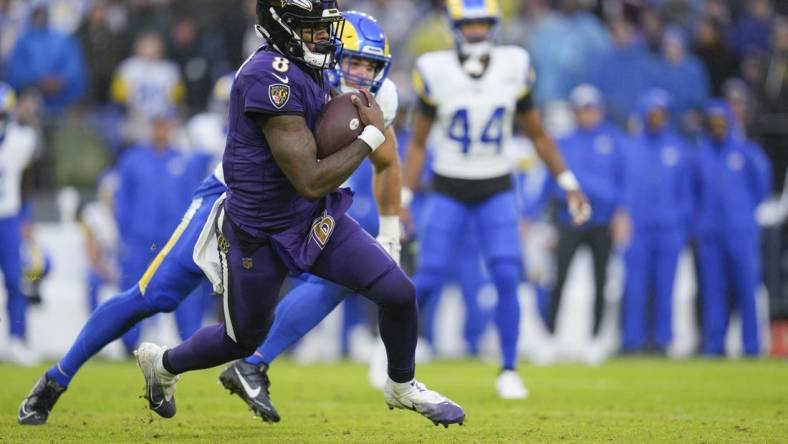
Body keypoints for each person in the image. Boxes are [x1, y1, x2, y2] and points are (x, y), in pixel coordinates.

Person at [134, 0, 464, 427]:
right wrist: (368, 135)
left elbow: (371, 166)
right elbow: (309, 178)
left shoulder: (311, 67)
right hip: (259, 229)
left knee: (399, 293)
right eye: (314, 29)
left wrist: (390, 225)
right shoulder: (268, 76)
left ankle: (401, 385)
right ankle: (163, 364)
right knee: (241, 339)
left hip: (311, 218)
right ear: (284, 27)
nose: (325, 39)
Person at [396, 0, 591, 399]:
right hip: (448, 184)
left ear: (495, 26)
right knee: (428, 277)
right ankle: (394, 356)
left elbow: (537, 133)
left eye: (483, 23)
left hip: (495, 184)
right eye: (469, 25)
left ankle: (508, 368)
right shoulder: (436, 70)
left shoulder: (513, 65)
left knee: (506, 273)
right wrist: (403, 196)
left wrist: (568, 181)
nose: (477, 32)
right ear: (454, 27)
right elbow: (417, 142)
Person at [217, 10, 405, 422]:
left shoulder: (379, 98)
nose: (359, 73)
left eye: (370, 66)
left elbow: (388, 161)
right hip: (242, 197)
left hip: (305, 201)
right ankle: (158, 366)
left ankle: (251, 364)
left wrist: (391, 231)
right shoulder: (304, 76)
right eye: (353, 61)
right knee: (161, 291)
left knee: (341, 281)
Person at [532, 84, 627, 365]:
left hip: (602, 219)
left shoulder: (613, 140)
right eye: (582, 109)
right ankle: (550, 337)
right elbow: (550, 180)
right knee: (558, 279)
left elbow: (623, 182)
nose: (587, 114)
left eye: (591, 108)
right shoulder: (563, 141)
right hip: (568, 217)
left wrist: (622, 213)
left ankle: (596, 339)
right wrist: (531, 213)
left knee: (601, 280)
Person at [694, 100, 771, 356]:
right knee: (713, 292)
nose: (717, 127)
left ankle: (752, 346)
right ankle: (715, 346)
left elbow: (762, 188)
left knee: (747, 289)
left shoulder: (746, 152)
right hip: (710, 234)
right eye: (713, 122)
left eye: (721, 122)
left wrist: (741, 215)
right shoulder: (701, 155)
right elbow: (693, 193)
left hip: (740, 232)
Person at [114, 110, 194, 353]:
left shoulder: (182, 160)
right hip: (140, 238)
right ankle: (129, 346)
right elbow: (122, 199)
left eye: (165, 125)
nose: (161, 131)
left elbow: (192, 198)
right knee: (133, 288)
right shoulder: (132, 159)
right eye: (156, 125)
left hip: (174, 239)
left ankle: (191, 344)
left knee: (184, 288)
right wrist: (124, 232)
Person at [621, 89, 693, 354]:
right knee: (635, 288)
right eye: (652, 113)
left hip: (669, 228)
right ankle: (632, 341)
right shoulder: (630, 147)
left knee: (665, 289)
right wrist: (622, 214)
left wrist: (683, 226)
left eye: (661, 113)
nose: (656, 118)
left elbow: (687, 193)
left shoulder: (679, 149)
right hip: (637, 227)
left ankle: (662, 341)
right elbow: (621, 187)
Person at [0, 82, 38, 366]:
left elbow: (25, 180)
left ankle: (18, 338)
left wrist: (26, 215)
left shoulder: (21, 140)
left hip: (8, 216)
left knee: (16, 280)